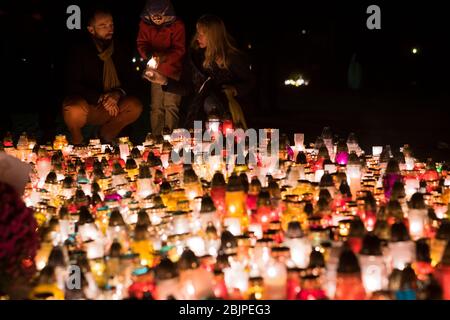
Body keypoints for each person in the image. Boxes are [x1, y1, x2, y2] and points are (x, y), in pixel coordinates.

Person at [145, 14, 255, 129]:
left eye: (202, 34)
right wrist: (163, 81)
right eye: (197, 32)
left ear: (214, 36)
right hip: (200, 114)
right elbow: (187, 88)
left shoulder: (231, 57)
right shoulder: (195, 57)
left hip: (229, 114)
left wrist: (235, 89)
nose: (197, 37)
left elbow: (250, 81)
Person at [62, 8, 143, 145]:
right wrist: (101, 98)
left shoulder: (119, 48)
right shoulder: (80, 50)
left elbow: (130, 78)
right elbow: (72, 84)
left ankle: (105, 136)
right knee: (73, 109)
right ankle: (78, 141)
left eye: (111, 25)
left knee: (134, 106)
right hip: (89, 105)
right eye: (103, 26)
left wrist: (117, 93)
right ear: (91, 29)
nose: (109, 29)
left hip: (113, 105)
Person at [137, 0, 185, 136]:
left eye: (160, 16)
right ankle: (157, 138)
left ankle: (171, 139)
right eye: (154, 16)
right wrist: (149, 55)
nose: (157, 19)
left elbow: (179, 49)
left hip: (173, 72)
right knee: (156, 107)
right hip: (155, 72)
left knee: (171, 106)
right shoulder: (145, 26)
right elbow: (141, 43)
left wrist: (163, 57)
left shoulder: (177, 26)